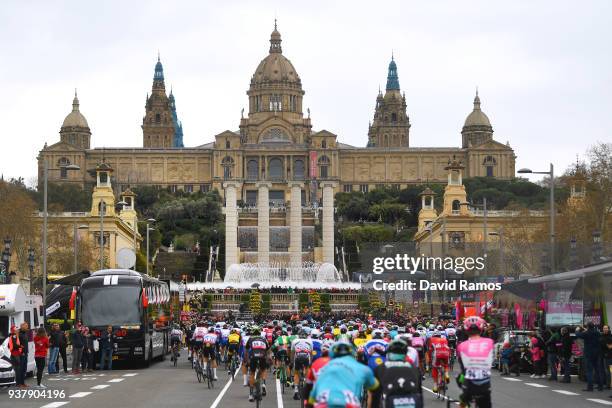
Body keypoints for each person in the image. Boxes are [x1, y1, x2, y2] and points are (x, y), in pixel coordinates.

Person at [309, 341, 378, 408]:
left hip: (324, 401)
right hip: (350, 402)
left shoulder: (324, 367)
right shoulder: (363, 368)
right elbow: (375, 387)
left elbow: (312, 398)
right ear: (353, 354)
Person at [372, 339, 423, 408]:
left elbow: (375, 396)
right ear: (405, 354)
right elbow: (419, 393)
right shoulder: (414, 368)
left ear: (389, 353)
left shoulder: (380, 368)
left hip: (391, 401)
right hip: (412, 401)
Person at [456, 316, 493, 408]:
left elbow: (463, 367)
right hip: (485, 386)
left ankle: (463, 402)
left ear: (466, 330)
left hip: (469, 385)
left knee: (460, 377)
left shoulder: (462, 346)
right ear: (481, 329)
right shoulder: (490, 342)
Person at [576, 322, 603, 391]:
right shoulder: (597, 332)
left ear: (587, 327)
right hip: (597, 353)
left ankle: (590, 387)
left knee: (589, 371)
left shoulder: (586, 333)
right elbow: (591, 332)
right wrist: (586, 329)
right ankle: (600, 386)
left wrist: (577, 329)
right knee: (597, 370)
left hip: (588, 354)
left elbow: (578, 335)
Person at [245, 326, 270, 402]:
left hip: (254, 356)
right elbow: (268, 350)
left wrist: (247, 360)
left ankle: (251, 394)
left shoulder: (251, 338)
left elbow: (246, 350)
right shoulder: (264, 339)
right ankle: (263, 384)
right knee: (263, 370)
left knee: (252, 373)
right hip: (262, 355)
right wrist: (268, 358)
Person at [17, 322, 30, 387]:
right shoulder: (18, 333)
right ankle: (19, 383)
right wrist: (21, 351)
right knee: (20, 369)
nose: (27, 327)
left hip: (25, 353)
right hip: (21, 354)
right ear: (22, 326)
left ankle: (23, 382)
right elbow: (16, 343)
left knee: (24, 369)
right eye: (26, 326)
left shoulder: (25, 333)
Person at [600, 325, 612, 389]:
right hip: (603, 355)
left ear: (608, 329)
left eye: (606, 328)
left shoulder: (610, 337)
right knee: (604, 370)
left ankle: (608, 385)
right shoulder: (602, 335)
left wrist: (606, 344)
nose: (605, 329)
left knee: (608, 371)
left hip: (608, 355)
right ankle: (605, 383)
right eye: (604, 328)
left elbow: (610, 347)